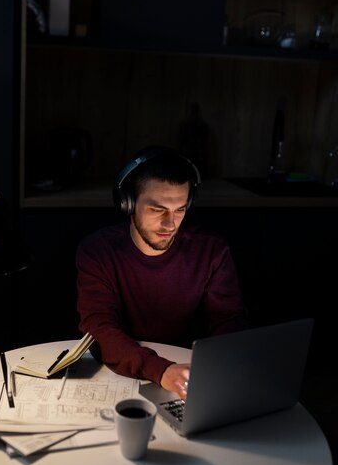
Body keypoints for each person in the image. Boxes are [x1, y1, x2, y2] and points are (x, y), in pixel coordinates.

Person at [76, 146, 248, 400]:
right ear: (128, 204)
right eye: (158, 210)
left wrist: (213, 366)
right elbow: (98, 326)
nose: (170, 224)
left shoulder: (211, 251)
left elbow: (229, 320)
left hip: (190, 376)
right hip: (120, 372)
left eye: (180, 210)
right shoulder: (98, 251)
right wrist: (161, 370)